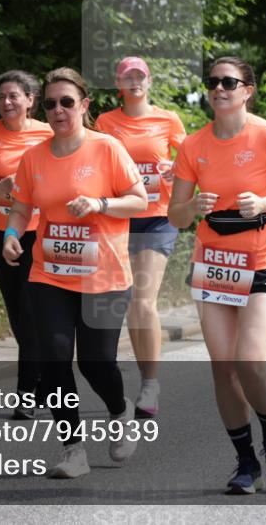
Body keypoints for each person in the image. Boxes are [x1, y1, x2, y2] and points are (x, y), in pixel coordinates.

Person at [168, 56, 266, 494]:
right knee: (223, 368)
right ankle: (245, 461)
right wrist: (192, 207)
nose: (219, 88)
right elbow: (175, 216)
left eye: (228, 82)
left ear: (247, 90)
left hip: (265, 257)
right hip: (214, 263)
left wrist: (265, 204)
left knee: (250, 360)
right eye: (212, 82)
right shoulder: (193, 146)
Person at [2, 67, 148, 478]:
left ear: (84, 106)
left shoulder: (107, 148)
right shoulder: (34, 157)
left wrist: (101, 204)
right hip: (49, 272)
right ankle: (73, 449)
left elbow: (138, 200)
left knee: (97, 363)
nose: (58, 110)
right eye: (50, 103)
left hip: (104, 275)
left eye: (67, 102)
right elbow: (21, 207)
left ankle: (121, 412)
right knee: (53, 360)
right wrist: (11, 235)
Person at [94, 56, 186, 419]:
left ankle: (150, 384)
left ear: (149, 82)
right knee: (125, 302)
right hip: (117, 221)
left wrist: (174, 171)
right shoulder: (105, 123)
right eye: (127, 77)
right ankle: (121, 379)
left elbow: (193, 161)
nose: (134, 82)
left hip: (157, 219)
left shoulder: (168, 119)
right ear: (118, 84)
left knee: (142, 301)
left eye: (140, 76)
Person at [0, 71, 53, 419]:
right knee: (18, 314)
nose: (7, 102)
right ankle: (45, 379)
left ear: (31, 100)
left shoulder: (48, 134)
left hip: (41, 233)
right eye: (2, 96)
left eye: (14, 96)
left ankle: (26, 394)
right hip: (2, 234)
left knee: (32, 313)